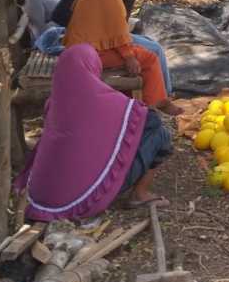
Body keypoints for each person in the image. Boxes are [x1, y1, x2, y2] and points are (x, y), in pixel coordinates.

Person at [15, 44, 173, 218]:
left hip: (40, 196)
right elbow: (147, 117)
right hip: (84, 198)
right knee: (161, 134)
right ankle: (140, 194)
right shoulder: (105, 101)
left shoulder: (54, 104)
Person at [64, 0, 182, 114]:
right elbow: (116, 28)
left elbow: (107, 27)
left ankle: (135, 102)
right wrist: (128, 56)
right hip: (90, 55)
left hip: (81, 51)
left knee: (142, 51)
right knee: (148, 58)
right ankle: (155, 106)